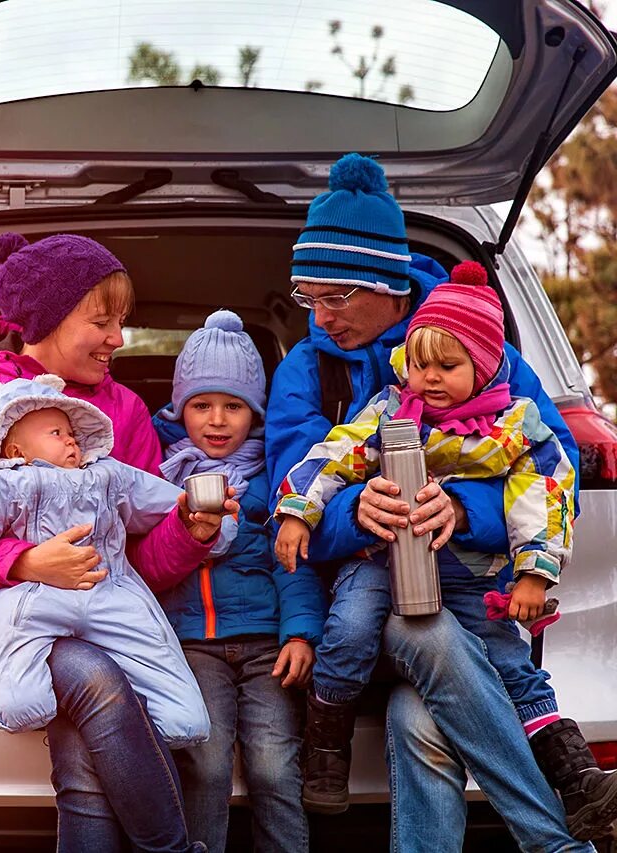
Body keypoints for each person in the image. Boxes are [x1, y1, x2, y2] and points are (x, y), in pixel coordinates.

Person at [265, 153, 601, 851]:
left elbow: (549, 463)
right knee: (422, 628)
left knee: (422, 725)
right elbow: (292, 481)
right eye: (310, 297)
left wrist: (465, 512)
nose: (321, 317)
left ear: (387, 286)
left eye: (336, 296)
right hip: (354, 612)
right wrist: (353, 509)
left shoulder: (484, 351)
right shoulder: (308, 369)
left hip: (476, 594)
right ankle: (556, 842)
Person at [0, 232, 225, 853]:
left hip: (102, 619)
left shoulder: (123, 412)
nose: (118, 339)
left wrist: (189, 531)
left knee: (83, 738)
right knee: (92, 676)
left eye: (121, 322)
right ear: (47, 319)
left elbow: (139, 563)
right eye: (101, 321)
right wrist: (21, 563)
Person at [0, 374, 226, 746]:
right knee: (15, 664)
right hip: (32, 594)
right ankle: (20, 698)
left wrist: (200, 517)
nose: (70, 440)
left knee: (179, 705)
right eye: (55, 433)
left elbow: (161, 502)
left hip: (110, 591)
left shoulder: (109, 475)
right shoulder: (0, 484)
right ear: (15, 451)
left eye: (70, 432)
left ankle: (178, 717)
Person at [150, 310, 325, 853]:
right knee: (205, 763)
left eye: (234, 406)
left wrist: (300, 634)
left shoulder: (273, 481)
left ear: (256, 413)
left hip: (265, 648)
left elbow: (291, 563)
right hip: (193, 647)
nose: (218, 420)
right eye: (202, 405)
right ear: (181, 410)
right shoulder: (158, 476)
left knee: (274, 767)